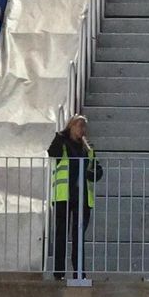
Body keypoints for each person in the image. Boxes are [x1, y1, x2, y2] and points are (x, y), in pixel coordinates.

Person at [47, 115, 99, 281]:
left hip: (82, 198)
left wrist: (92, 173)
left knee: (78, 237)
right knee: (61, 234)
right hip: (64, 196)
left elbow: (98, 170)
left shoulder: (88, 149)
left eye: (84, 127)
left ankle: (79, 273)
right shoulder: (62, 143)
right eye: (79, 126)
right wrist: (60, 135)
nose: (82, 129)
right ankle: (59, 272)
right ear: (71, 127)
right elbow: (52, 153)